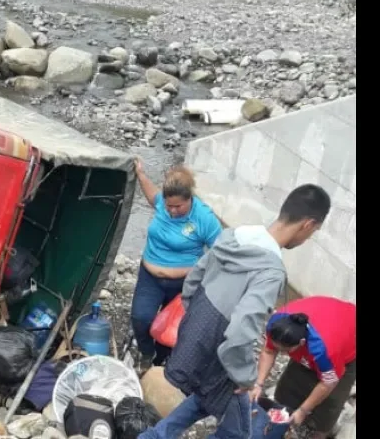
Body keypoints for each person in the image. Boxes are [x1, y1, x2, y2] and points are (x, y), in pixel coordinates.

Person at [139, 183, 332, 439]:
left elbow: (193, 281)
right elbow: (239, 333)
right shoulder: (269, 271)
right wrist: (248, 380)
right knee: (239, 430)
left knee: (205, 396)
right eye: (313, 232)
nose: (308, 237)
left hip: (195, 340)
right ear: (307, 224)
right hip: (222, 352)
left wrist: (196, 325)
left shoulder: (236, 235)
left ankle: (152, 437)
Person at [131, 161, 222, 370]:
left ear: (190, 199)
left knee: (172, 328)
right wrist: (141, 174)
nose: (171, 211)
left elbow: (220, 252)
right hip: (150, 277)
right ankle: (146, 352)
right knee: (141, 317)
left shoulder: (204, 218)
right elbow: (151, 193)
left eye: (177, 206)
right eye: (168, 205)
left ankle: (160, 361)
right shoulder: (163, 204)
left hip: (184, 284)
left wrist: (202, 273)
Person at [252, 296, 356, 439]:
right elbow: (269, 351)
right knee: (289, 387)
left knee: (330, 402)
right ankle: (283, 420)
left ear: (301, 343)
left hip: (348, 337)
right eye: (278, 348)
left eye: (284, 350)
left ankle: (319, 433)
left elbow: (329, 382)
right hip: (326, 317)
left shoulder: (324, 349)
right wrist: (258, 384)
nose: (281, 353)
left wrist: (303, 410)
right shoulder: (278, 325)